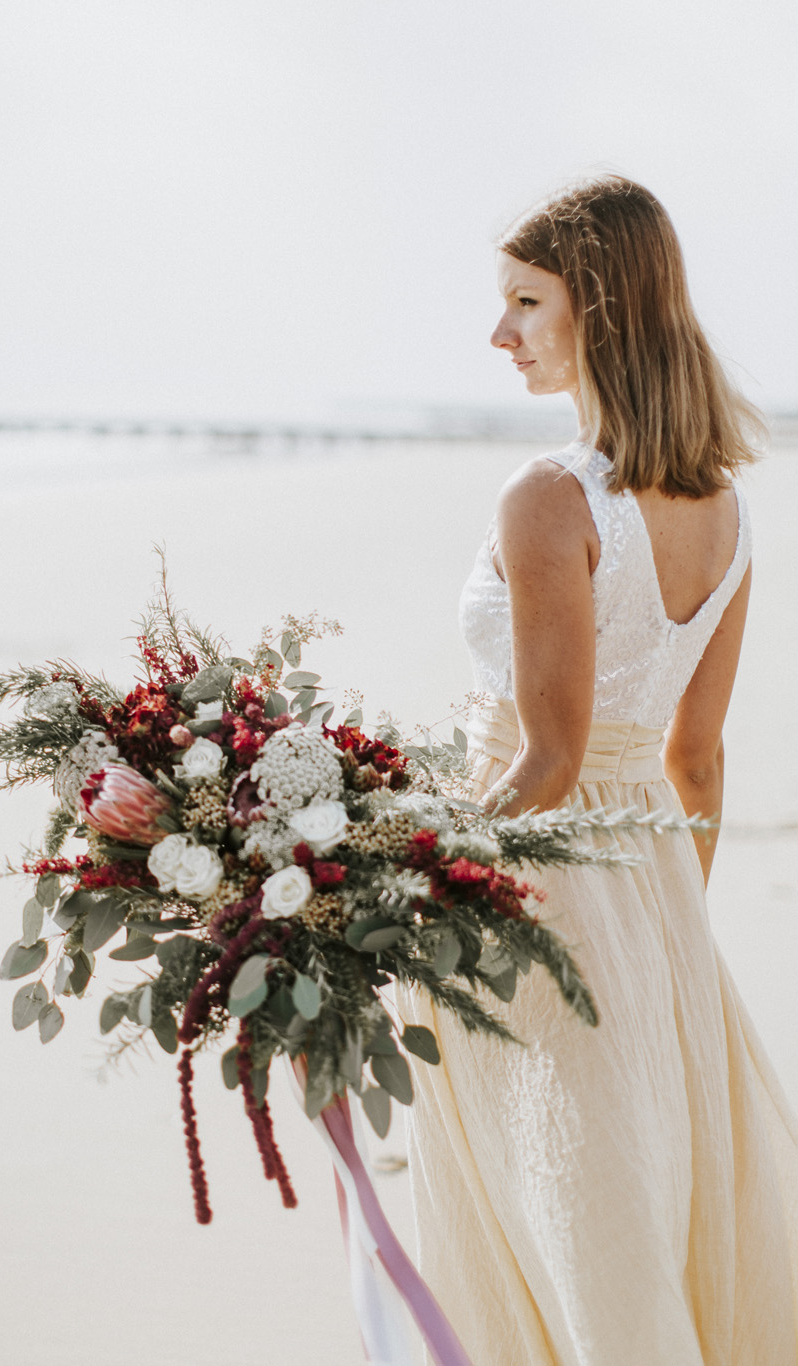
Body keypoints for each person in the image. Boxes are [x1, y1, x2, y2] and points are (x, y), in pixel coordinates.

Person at [401, 176, 798, 1364]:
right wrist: (667, 928)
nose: (499, 332)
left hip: (529, 891)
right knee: (630, 1208)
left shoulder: (549, 497)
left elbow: (547, 758)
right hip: (656, 898)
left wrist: (403, 878)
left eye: (526, 302)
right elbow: (694, 758)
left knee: (562, 1214)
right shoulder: (720, 509)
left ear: (602, 310)